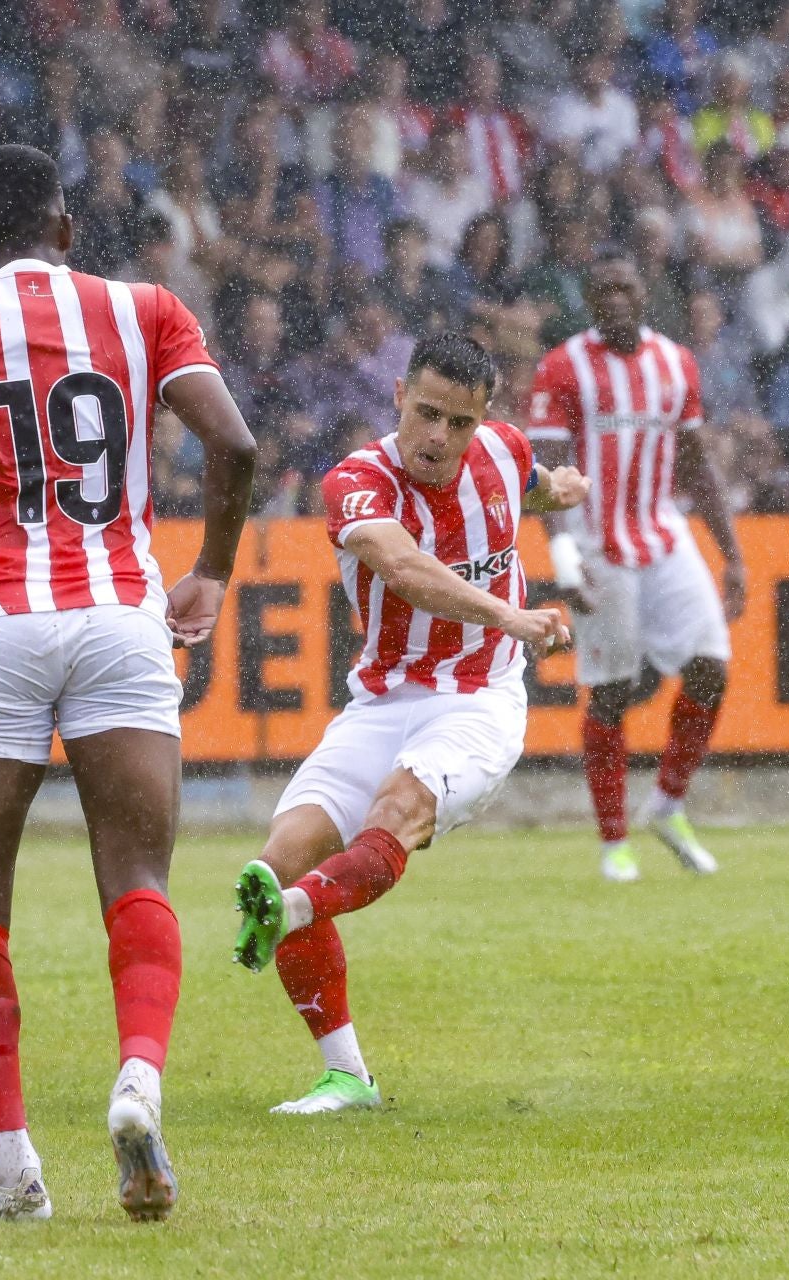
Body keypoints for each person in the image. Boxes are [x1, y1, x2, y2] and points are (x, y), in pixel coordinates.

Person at [0, 143, 258, 1223]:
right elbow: (234, 443)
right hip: (122, 616)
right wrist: (212, 570)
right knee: (137, 873)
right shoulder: (147, 311)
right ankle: (138, 1077)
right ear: (68, 228)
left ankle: (13, 1169)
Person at [229, 333, 584, 1114]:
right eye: (426, 414)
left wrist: (560, 487)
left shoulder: (501, 450)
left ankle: (293, 911)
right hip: (384, 700)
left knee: (394, 812)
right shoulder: (356, 481)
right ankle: (347, 1075)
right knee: (281, 858)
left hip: (481, 700)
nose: (439, 438)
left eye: (459, 423)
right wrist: (509, 612)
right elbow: (404, 569)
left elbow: (528, 486)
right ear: (397, 396)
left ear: (483, 419)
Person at [527, 250, 746, 883]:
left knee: (711, 668)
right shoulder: (563, 367)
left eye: (627, 286)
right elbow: (544, 471)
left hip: (663, 533)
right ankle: (612, 841)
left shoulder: (675, 363)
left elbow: (697, 462)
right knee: (614, 692)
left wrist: (731, 554)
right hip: (597, 542)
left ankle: (668, 805)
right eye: (604, 290)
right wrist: (564, 560)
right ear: (591, 301)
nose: (617, 298)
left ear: (644, 293)